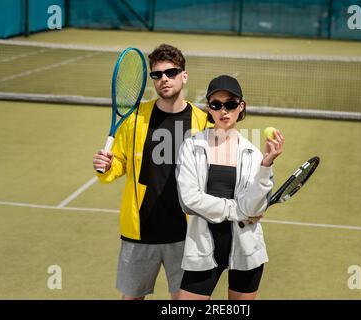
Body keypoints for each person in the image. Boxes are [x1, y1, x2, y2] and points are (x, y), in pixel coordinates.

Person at [92, 44, 209, 300]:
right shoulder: (134, 119)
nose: (164, 79)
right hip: (140, 232)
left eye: (171, 72)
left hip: (186, 234)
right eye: (157, 75)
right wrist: (107, 167)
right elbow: (118, 163)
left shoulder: (203, 121)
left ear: (184, 75)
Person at [175, 75, 284, 300]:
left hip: (247, 251)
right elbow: (189, 200)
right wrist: (237, 210)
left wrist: (266, 165)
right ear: (209, 108)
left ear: (241, 107)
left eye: (230, 104)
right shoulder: (191, 146)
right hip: (202, 249)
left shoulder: (254, 154)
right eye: (216, 104)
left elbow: (256, 207)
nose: (223, 111)